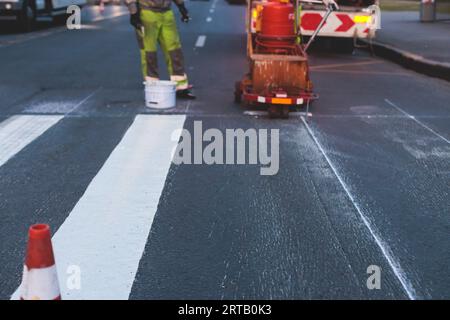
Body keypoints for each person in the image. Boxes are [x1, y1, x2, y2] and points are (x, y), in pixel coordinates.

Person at [125, 0, 196, 99]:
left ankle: (180, 87)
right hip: (146, 13)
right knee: (149, 52)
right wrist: (134, 13)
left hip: (166, 13)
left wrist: (181, 7)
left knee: (174, 50)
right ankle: (153, 88)